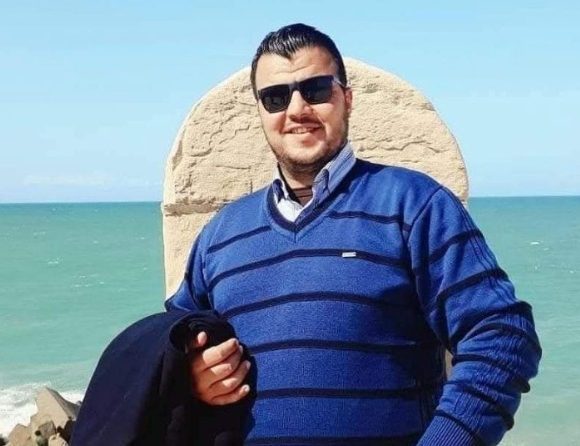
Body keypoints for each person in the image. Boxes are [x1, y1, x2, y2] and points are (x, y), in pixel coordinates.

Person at [165, 23, 541, 446]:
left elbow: (502, 336)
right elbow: (169, 345)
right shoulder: (220, 234)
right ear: (261, 113)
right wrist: (191, 375)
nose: (297, 109)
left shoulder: (414, 205)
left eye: (316, 90)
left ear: (346, 98)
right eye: (275, 98)